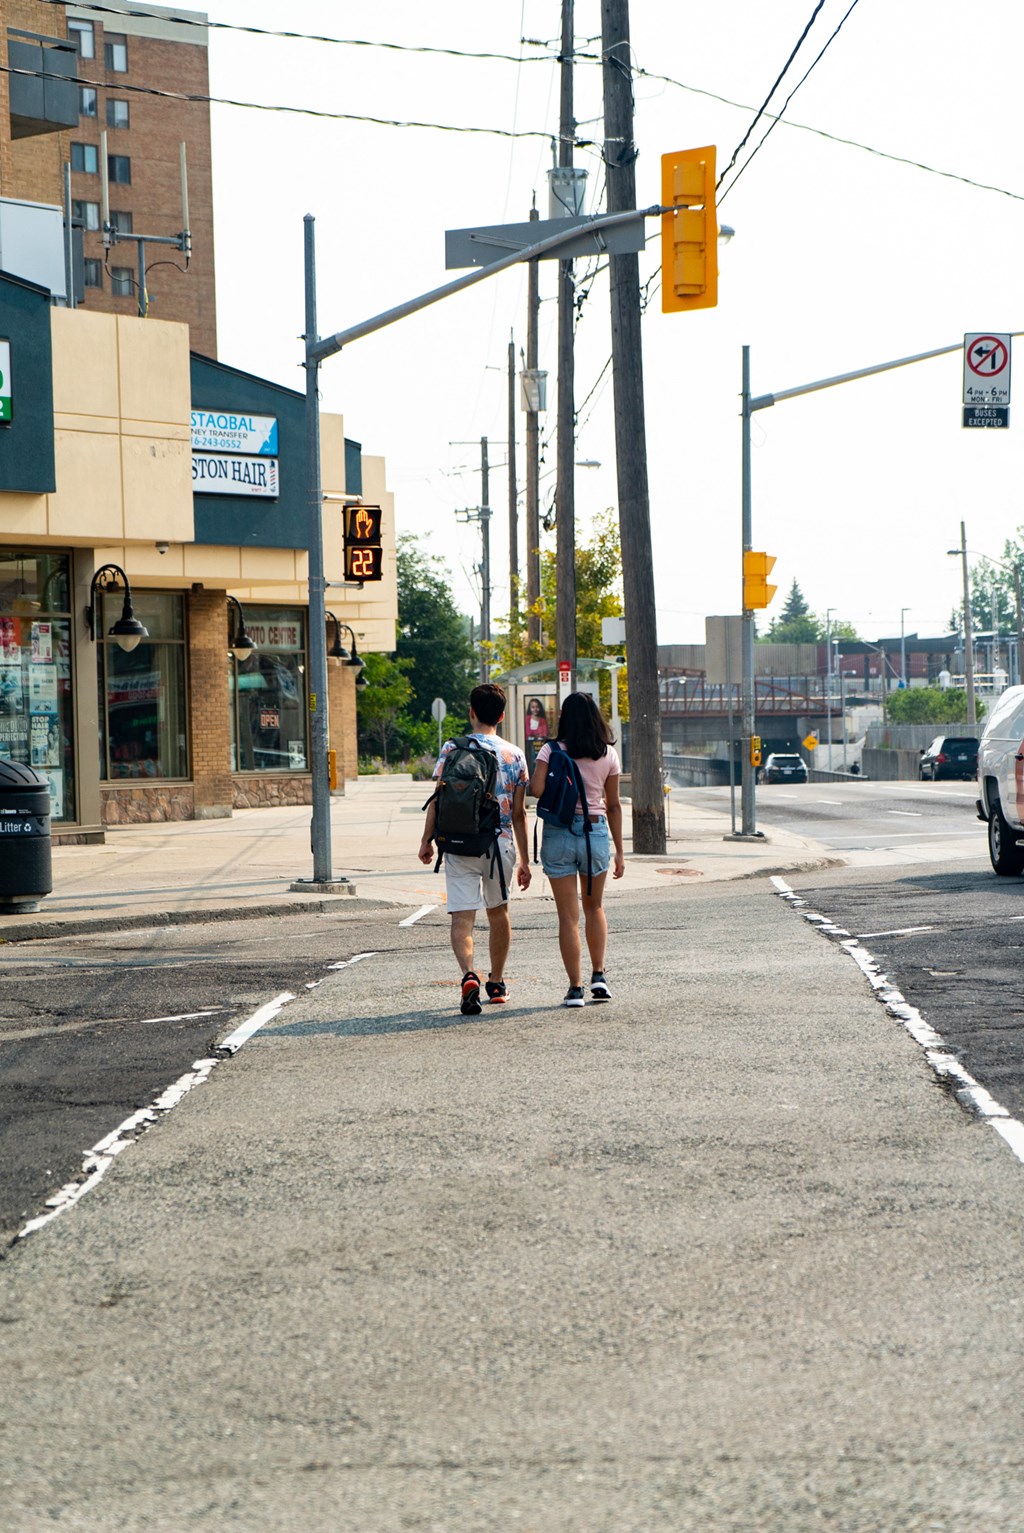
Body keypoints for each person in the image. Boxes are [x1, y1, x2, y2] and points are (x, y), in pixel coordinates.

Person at [419, 682, 531, 1015]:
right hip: (499, 844)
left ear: (471, 713)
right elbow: (520, 813)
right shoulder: (515, 754)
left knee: (462, 917)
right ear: (501, 715)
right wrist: (525, 860)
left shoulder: (452, 749)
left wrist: (426, 840)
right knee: (499, 913)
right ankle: (496, 983)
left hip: (458, 841)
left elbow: (438, 799)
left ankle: (469, 974)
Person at [529, 691, 624, 1007]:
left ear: (564, 718)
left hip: (558, 833)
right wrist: (620, 852)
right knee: (594, 907)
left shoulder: (551, 750)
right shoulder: (607, 754)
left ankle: (575, 989)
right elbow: (613, 806)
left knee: (568, 918)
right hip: (594, 834)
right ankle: (599, 976)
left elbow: (537, 790)